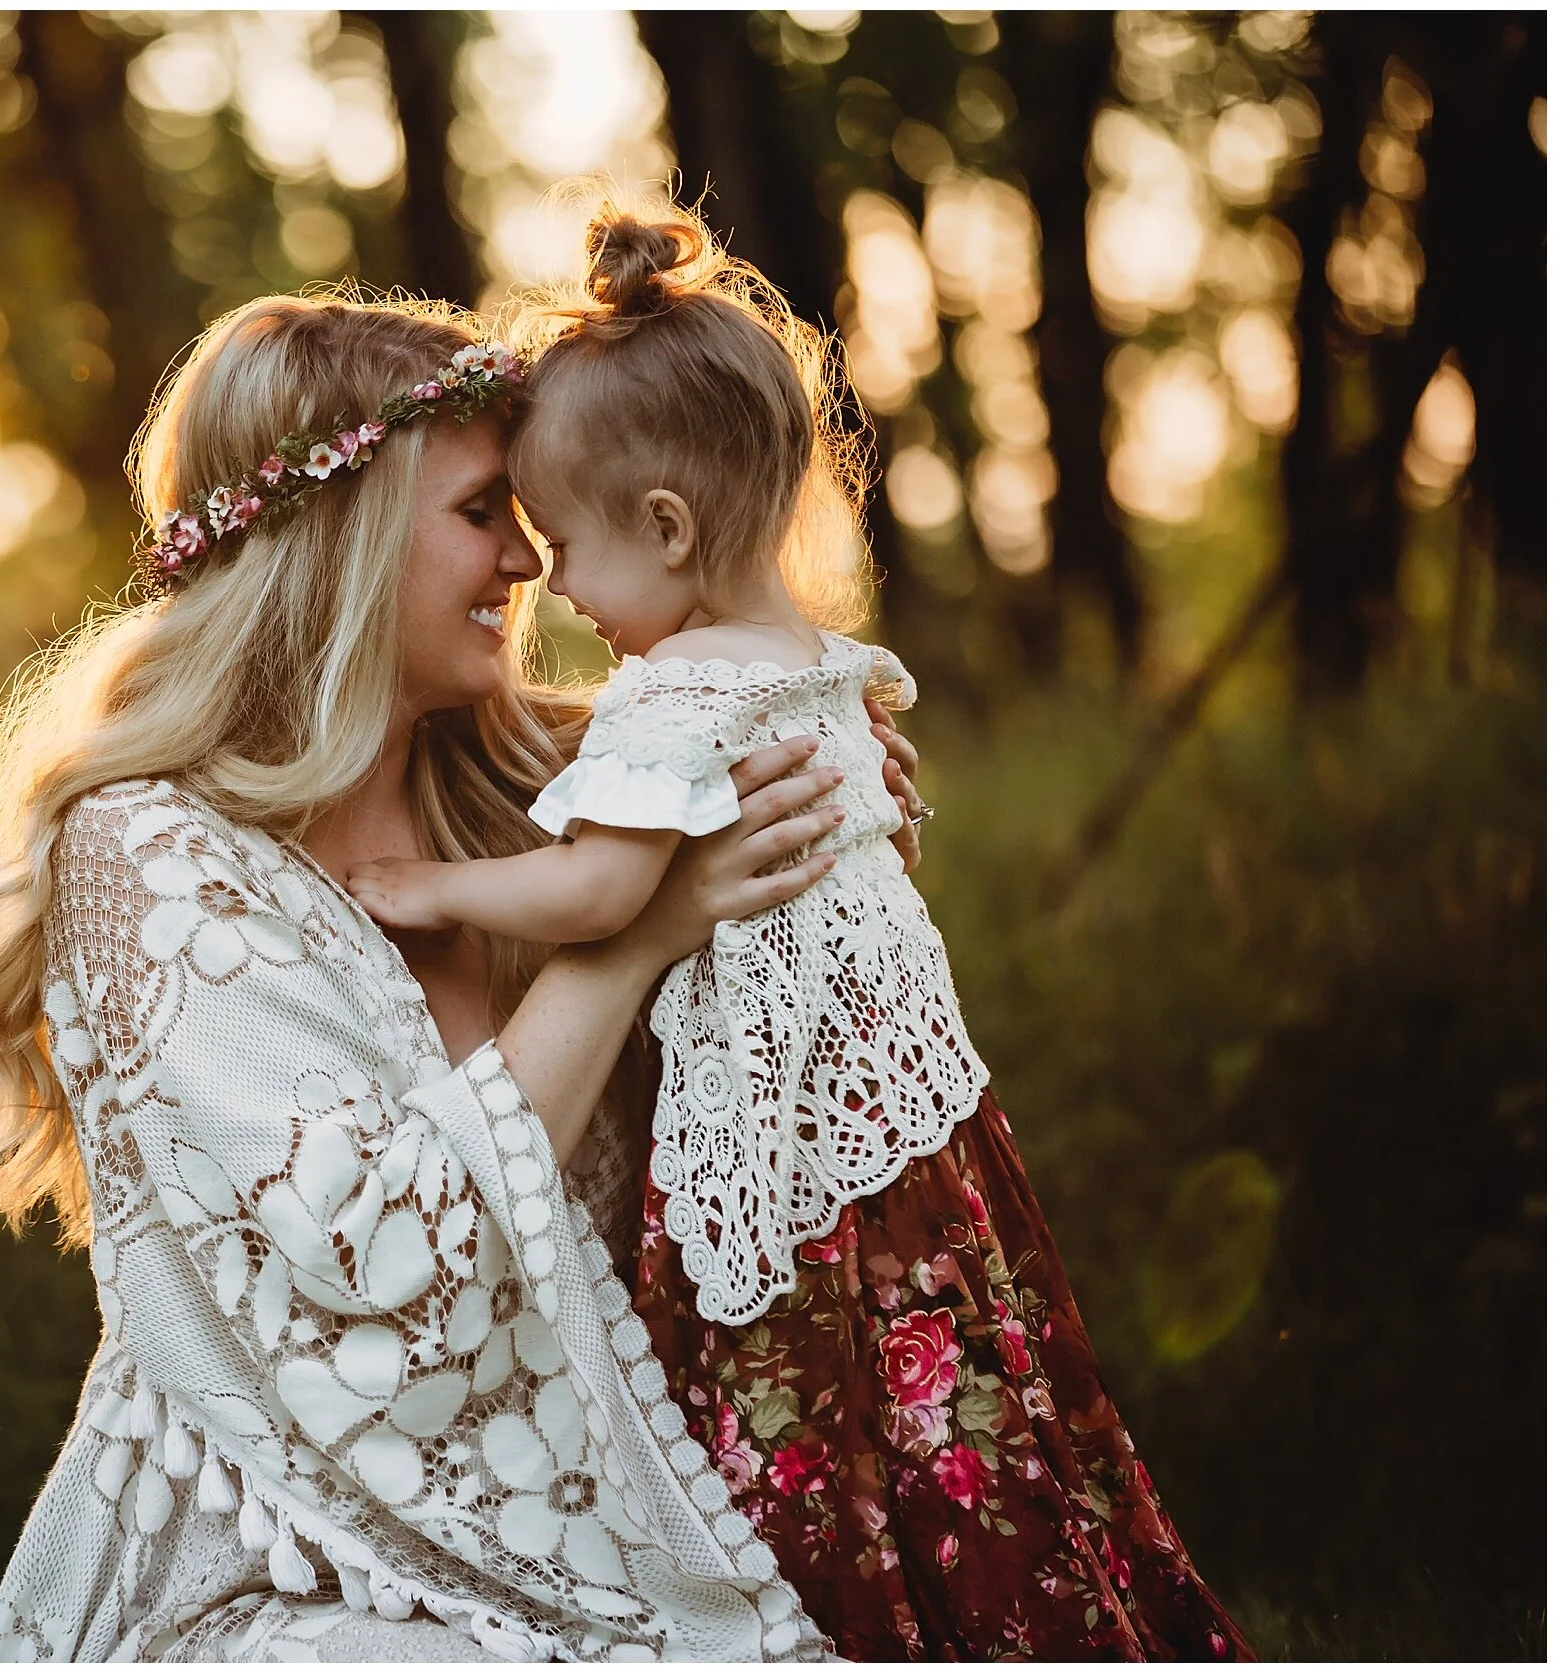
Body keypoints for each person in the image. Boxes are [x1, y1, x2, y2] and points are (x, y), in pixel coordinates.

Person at [0, 291, 930, 1661]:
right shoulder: (151, 855)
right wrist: (630, 942)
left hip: (627, 1516)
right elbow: (393, 1267)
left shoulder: (576, 802)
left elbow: (790, 1108)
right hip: (289, 1569)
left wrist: (837, 856)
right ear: (339, 540)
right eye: (480, 513)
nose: (528, 561)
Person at [347, 200, 1249, 1660]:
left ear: (666, 526)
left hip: (789, 1154)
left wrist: (429, 889)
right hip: (916, 1138)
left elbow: (598, 894)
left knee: (811, 1434)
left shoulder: (680, 692)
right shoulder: (828, 668)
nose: (553, 583)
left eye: (564, 543)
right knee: (963, 1407)